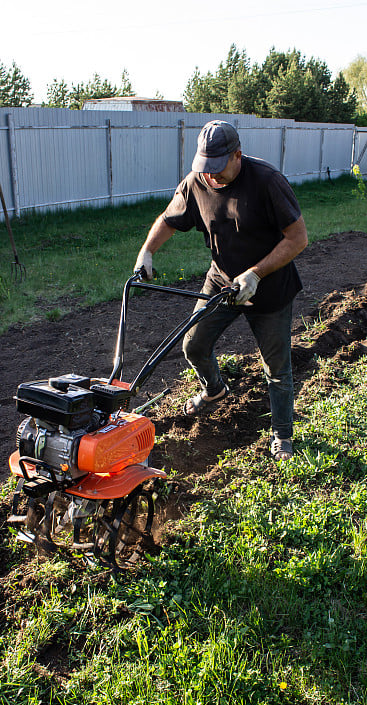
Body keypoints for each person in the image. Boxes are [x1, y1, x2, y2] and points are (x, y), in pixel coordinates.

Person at [134, 120, 308, 460]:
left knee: (276, 367)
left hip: (269, 287)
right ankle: (215, 390)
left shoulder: (268, 182)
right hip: (222, 281)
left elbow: (298, 238)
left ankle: (282, 435)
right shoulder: (196, 183)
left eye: (217, 168)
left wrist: (256, 274)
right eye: (205, 167)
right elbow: (170, 219)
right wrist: (147, 251)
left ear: (237, 155)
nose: (211, 176)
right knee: (194, 344)